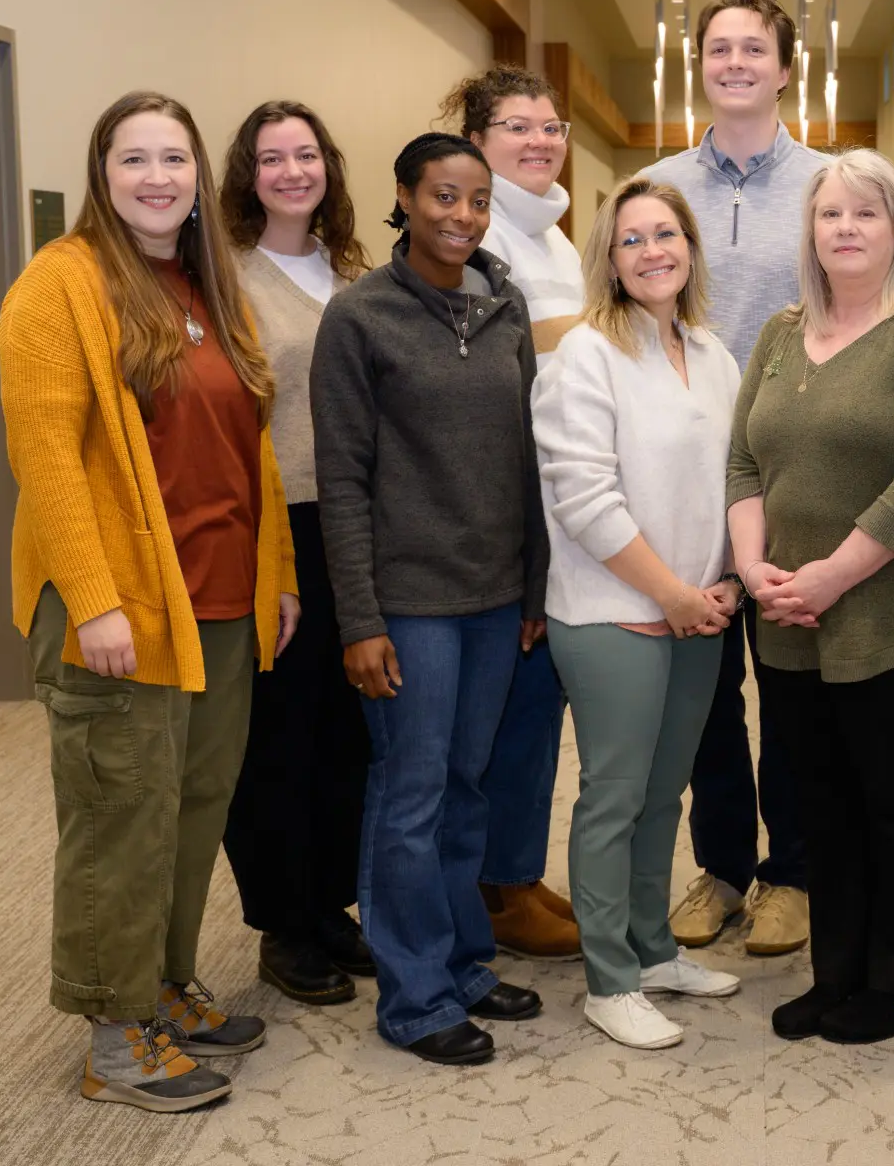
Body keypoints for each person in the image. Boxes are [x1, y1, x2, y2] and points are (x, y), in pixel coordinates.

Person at [0, 90, 299, 1111]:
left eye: (174, 157)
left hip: (215, 599)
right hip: (117, 609)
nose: (158, 176)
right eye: (136, 158)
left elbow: (248, 444)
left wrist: (279, 574)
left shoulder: (207, 284)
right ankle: (115, 1033)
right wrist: (93, 601)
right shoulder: (60, 283)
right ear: (102, 171)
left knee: (192, 808)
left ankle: (165, 986)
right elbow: (45, 458)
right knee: (119, 815)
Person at [732, 148, 894, 1045]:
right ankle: (839, 972)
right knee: (822, 801)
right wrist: (755, 570)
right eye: (830, 214)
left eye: (866, 214)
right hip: (790, 615)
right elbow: (742, 460)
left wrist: (833, 574)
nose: (845, 229)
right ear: (809, 230)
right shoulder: (777, 332)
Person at [311, 132, 545, 1066]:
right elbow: (344, 479)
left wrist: (532, 583)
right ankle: (414, 997)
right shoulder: (359, 318)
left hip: (495, 598)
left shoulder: (505, 307)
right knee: (409, 793)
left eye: (479, 200)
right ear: (404, 198)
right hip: (408, 599)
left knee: (465, 785)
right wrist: (360, 621)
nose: (462, 216)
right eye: (443, 196)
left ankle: (463, 962)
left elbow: (529, 458)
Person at [533, 178, 746, 1048]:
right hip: (614, 608)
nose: (653, 251)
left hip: (700, 607)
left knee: (665, 795)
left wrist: (727, 579)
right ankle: (608, 977)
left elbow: (735, 478)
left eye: (667, 234)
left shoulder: (714, 351)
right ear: (609, 260)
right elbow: (583, 495)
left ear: (690, 247)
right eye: (632, 240)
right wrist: (669, 592)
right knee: (614, 797)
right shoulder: (586, 353)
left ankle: (653, 949)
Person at [646, 0, 826, 958]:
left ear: (786, 67)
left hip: (799, 471)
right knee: (703, 689)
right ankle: (719, 864)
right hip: (690, 475)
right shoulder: (661, 185)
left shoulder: (833, 182)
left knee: (792, 683)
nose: (737, 62)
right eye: (719, 48)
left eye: (755, 48)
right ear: (701, 65)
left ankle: (792, 870)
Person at [215, 99, 376, 1007]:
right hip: (277, 526)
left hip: (358, 525)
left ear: (327, 168)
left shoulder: (354, 271)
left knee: (347, 729)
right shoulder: (227, 276)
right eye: (271, 158)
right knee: (276, 732)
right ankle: (284, 921)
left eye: (305, 155)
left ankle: (328, 903)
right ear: (249, 174)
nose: (290, 172)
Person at [443, 65, 585, 959]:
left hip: (560, 497)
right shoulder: (474, 234)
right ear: (478, 141)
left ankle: (517, 869)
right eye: (517, 128)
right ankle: (495, 888)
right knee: (510, 708)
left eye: (551, 126)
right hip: (503, 504)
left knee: (540, 704)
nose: (540, 141)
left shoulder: (557, 240)